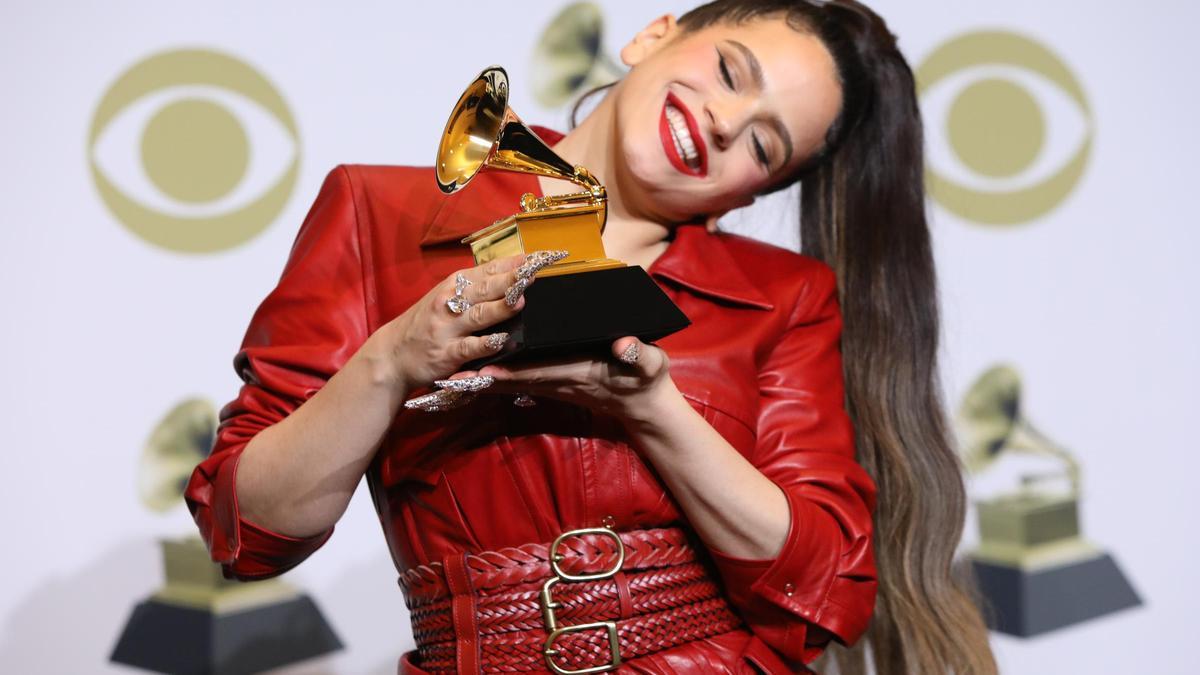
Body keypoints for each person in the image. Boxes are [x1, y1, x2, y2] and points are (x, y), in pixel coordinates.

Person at [185, 1, 997, 673]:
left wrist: (655, 410)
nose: (722, 121)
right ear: (656, 34)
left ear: (754, 192)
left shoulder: (786, 298)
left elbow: (827, 584)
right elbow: (246, 528)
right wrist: (392, 360)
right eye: (729, 71)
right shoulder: (377, 213)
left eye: (762, 143)